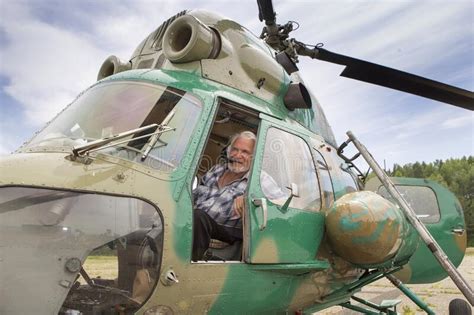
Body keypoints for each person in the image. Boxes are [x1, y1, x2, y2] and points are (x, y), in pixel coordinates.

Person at [192, 131, 256, 261]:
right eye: (235, 149)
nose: (237, 155)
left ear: (254, 157)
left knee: (198, 217)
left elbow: (280, 203)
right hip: (195, 221)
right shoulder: (217, 170)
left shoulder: (259, 180)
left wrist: (248, 201)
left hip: (226, 231)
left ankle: (188, 263)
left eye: (245, 152)